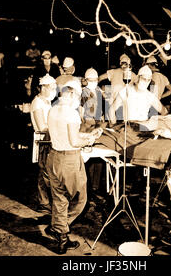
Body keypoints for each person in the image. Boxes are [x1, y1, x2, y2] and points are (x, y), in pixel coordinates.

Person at [45, 80, 101, 254]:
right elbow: (74, 141)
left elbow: (65, 133)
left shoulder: (53, 109)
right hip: (69, 161)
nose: (79, 101)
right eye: (78, 97)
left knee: (60, 200)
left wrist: (87, 134)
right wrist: (90, 139)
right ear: (71, 93)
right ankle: (60, 227)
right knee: (80, 198)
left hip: (53, 158)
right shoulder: (71, 113)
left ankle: (61, 235)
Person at [29, 74, 58, 215]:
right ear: (43, 88)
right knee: (44, 173)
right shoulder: (37, 103)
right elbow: (41, 126)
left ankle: (46, 203)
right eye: (52, 88)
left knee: (47, 173)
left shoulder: (46, 102)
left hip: (50, 139)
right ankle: (44, 204)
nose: (54, 90)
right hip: (43, 141)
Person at [81, 68, 106, 198]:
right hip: (87, 126)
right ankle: (89, 187)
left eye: (95, 80)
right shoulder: (83, 93)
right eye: (90, 80)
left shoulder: (98, 91)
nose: (93, 82)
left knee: (100, 156)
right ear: (86, 81)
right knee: (89, 157)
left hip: (97, 125)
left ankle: (96, 186)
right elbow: (85, 114)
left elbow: (100, 110)